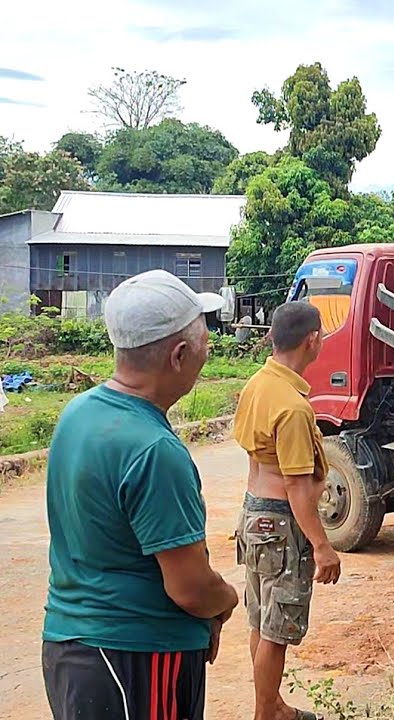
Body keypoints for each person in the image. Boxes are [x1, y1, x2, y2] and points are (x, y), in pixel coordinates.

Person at [42, 269, 238, 720]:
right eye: (205, 335)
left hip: (72, 651)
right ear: (180, 355)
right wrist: (226, 599)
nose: (209, 346)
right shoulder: (155, 451)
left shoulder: (78, 414)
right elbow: (191, 589)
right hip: (137, 657)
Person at [234, 301, 338, 720]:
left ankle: (271, 704)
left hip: (254, 515)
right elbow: (296, 486)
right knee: (277, 631)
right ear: (312, 340)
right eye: (322, 334)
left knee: (261, 621)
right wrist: (322, 546)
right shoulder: (293, 408)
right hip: (281, 522)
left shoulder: (258, 384)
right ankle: (267, 713)